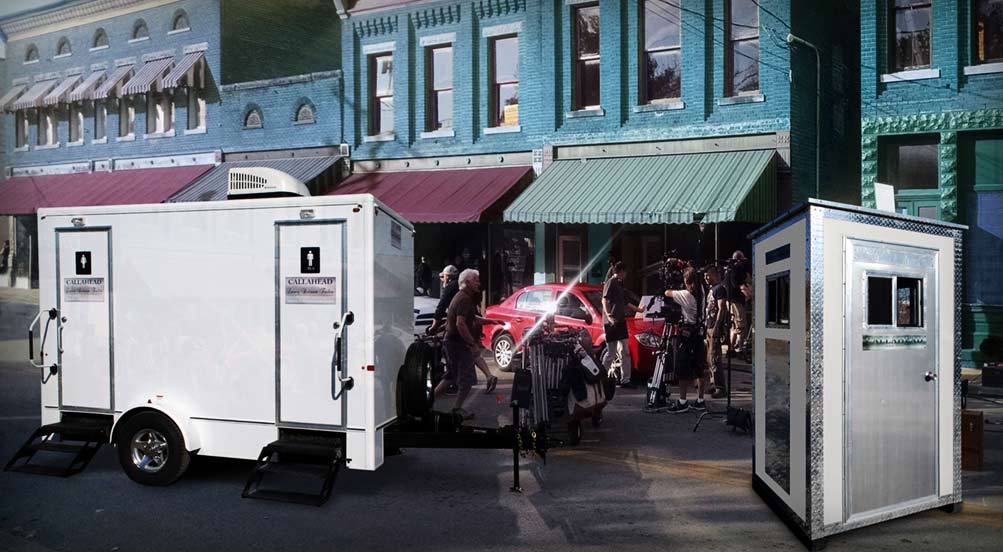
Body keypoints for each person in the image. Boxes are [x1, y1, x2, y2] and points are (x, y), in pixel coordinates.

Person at [434, 269, 493, 419]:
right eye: (476, 280)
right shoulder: (464, 299)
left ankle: (427, 401)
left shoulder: (463, 297)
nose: (479, 283)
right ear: (467, 282)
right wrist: (471, 343)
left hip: (452, 342)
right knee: (466, 380)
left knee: (451, 376)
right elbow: (461, 324)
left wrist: (491, 321)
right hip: (457, 344)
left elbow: (472, 318)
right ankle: (457, 409)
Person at [663, 268, 710, 413]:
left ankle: (682, 402)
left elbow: (667, 293)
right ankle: (700, 400)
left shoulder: (685, 295)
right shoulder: (702, 291)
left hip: (688, 334)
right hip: (700, 334)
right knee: (699, 368)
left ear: (686, 282)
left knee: (682, 368)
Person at [602, 262, 642, 388]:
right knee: (611, 353)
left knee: (625, 351)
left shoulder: (620, 284)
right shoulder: (611, 282)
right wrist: (609, 315)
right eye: (624, 271)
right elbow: (605, 299)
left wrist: (639, 310)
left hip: (620, 321)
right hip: (611, 322)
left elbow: (626, 302)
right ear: (620, 271)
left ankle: (626, 379)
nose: (626, 274)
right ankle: (600, 376)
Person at [703, 266, 729, 399]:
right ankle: (713, 384)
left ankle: (720, 387)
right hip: (708, 326)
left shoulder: (720, 289)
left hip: (714, 327)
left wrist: (717, 326)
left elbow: (722, 308)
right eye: (704, 276)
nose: (706, 278)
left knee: (715, 357)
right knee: (709, 358)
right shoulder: (711, 290)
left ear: (714, 274)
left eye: (708, 275)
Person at [725, 250, 751, 354]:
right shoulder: (735, 270)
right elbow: (741, 286)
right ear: (738, 260)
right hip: (736, 302)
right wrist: (751, 296)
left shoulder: (729, 269)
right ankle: (740, 349)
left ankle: (731, 349)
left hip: (731, 301)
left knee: (734, 326)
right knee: (741, 326)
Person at [426, 265, 459, 335]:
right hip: (467, 319)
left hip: (458, 322)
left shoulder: (450, 287)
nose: (442, 279)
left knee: (448, 342)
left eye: (443, 276)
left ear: (447, 276)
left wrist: (434, 326)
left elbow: (441, 306)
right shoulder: (461, 285)